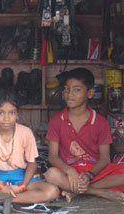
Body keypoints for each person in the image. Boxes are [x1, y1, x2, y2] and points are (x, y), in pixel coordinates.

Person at [45, 67, 124, 204]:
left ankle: (76, 191)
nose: (70, 94)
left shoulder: (101, 122)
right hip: (69, 172)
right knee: (51, 175)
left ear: (90, 93)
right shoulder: (56, 120)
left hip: (95, 172)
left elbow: (105, 158)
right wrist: (69, 170)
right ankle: (101, 192)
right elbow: (52, 156)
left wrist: (89, 174)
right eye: (66, 89)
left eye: (77, 89)